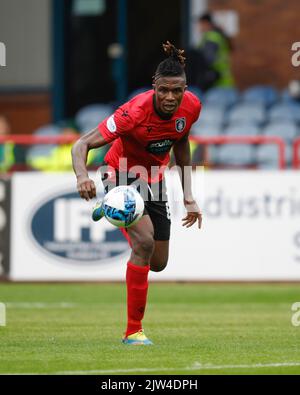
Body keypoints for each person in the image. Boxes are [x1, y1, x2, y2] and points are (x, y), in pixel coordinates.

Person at [71, 41, 202, 345]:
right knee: (142, 243)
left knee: (158, 262)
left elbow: (181, 143)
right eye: (164, 90)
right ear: (154, 86)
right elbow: (82, 144)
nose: (170, 97)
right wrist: (82, 176)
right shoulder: (132, 113)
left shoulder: (192, 106)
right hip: (120, 172)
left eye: (177, 91)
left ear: (185, 89)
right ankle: (133, 331)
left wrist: (188, 195)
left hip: (153, 178)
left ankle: (111, 209)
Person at [193, 12, 235, 90]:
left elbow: (208, 59)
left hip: (216, 83)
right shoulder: (215, 35)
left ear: (206, 23)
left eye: (200, 24)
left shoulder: (211, 38)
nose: (199, 27)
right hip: (223, 82)